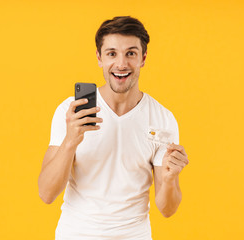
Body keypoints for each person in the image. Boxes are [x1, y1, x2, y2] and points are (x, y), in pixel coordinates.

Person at [38, 16, 189, 240]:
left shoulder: (163, 119)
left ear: (143, 58)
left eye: (130, 53)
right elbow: (46, 193)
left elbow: (167, 209)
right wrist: (71, 140)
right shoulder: (72, 112)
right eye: (112, 53)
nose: (121, 64)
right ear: (99, 58)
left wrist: (169, 179)